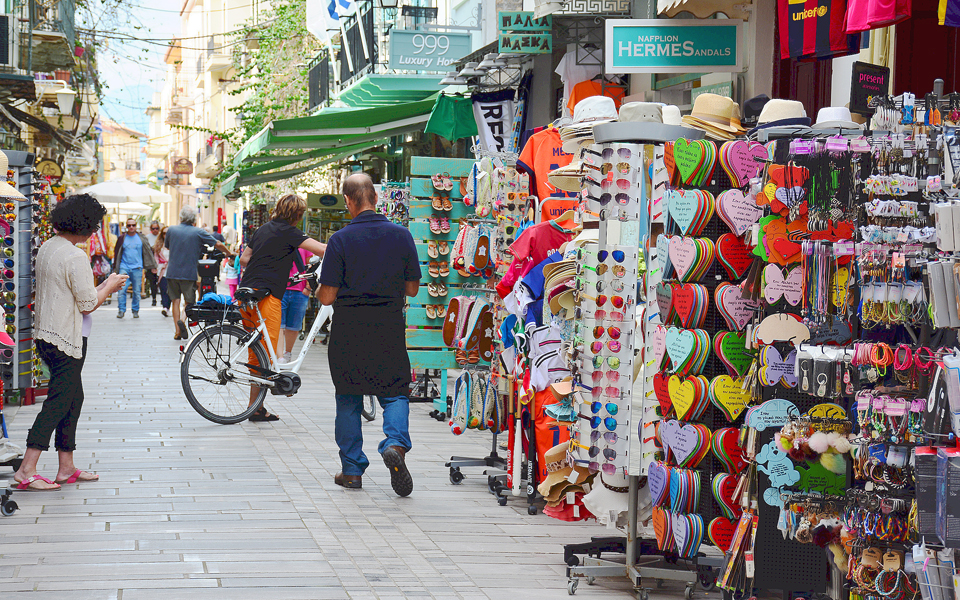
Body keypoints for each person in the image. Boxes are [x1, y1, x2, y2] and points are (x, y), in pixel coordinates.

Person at [12, 194, 129, 491]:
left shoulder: (50, 247)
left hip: (47, 335)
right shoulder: (76, 256)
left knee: (73, 398)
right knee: (59, 401)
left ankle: (66, 467)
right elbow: (87, 304)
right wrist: (110, 288)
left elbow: (72, 293)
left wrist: (102, 284)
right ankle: (27, 468)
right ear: (85, 224)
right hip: (67, 339)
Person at [318, 173, 420, 497]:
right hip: (388, 327)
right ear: (375, 198)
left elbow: (327, 296)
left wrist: (319, 286)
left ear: (348, 201)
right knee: (395, 392)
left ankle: (351, 472)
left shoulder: (340, 240)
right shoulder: (401, 235)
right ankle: (395, 445)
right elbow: (413, 288)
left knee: (348, 398)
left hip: (349, 330)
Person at [238, 194, 325, 421]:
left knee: (255, 354)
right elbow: (322, 250)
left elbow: (245, 259)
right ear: (297, 215)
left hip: (246, 295)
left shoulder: (262, 229)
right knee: (265, 354)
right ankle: (255, 407)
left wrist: (268, 259)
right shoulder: (290, 232)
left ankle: (255, 407)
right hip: (267, 297)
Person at [165, 205, 233, 340]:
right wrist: (229, 253)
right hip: (189, 272)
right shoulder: (198, 232)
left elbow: (167, 246)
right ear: (194, 219)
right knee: (189, 302)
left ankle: (177, 332)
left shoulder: (171, 230)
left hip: (172, 271)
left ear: (181, 217)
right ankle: (183, 320)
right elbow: (218, 244)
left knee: (175, 301)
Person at [112, 218, 158, 319]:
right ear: (126, 227)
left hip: (137, 268)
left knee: (137, 291)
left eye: (133, 225)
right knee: (122, 290)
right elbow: (116, 253)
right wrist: (116, 267)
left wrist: (152, 266)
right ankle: (121, 310)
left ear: (136, 226)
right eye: (129, 225)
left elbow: (148, 252)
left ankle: (135, 310)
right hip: (124, 267)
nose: (131, 227)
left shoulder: (141, 238)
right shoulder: (122, 238)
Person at [279, 247, 313, 363]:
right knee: (279, 324)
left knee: (293, 326)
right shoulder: (279, 241)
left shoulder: (305, 243)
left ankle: (287, 353)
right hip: (280, 289)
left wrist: (308, 287)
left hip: (300, 290)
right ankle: (278, 356)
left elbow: (311, 266)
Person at [153, 226, 171, 317]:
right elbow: (156, 257)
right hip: (162, 270)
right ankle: (165, 307)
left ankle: (168, 307)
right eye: (164, 233)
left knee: (171, 291)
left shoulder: (175, 244)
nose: (166, 235)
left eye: (168, 233)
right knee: (163, 289)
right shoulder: (159, 245)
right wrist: (156, 267)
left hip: (172, 270)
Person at [144, 221, 161, 306]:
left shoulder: (161, 237)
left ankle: (162, 298)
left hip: (161, 263)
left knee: (161, 282)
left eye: (156, 228)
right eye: (153, 228)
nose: (155, 230)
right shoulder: (147, 237)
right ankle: (154, 298)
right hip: (151, 263)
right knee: (152, 282)